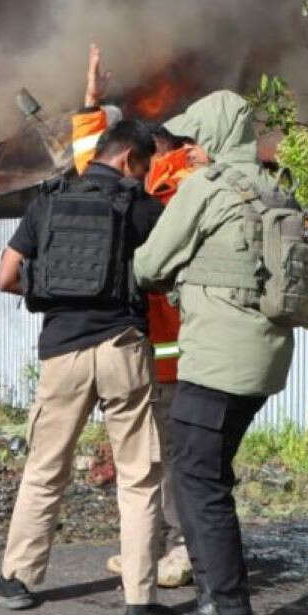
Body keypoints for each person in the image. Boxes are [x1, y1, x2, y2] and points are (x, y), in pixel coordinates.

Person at [0, 109, 168, 615]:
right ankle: (140, 601)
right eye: (144, 168)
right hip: (123, 350)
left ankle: (17, 581)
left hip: (61, 353)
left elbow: (7, 276)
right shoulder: (143, 209)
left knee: (45, 467)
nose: (144, 177)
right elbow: (165, 272)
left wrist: (49, 291)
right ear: (130, 159)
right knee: (138, 476)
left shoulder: (49, 202)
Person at [133, 91, 297, 615]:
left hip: (217, 361)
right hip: (265, 359)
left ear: (213, 140)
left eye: (192, 139)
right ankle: (213, 611)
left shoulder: (207, 187)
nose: (187, 150)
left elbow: (149, 263)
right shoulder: (277, 188)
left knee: (198, 485)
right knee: (205, 477)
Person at [106, 123, 211, 589]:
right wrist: (90, 106)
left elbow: (102, 164)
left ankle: (182, 552)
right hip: (158, 356)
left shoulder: (175, 189)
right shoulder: (178, 187)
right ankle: (151, 547)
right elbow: (100, 161)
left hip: (173, 359)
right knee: (153, 459)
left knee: (171, 461)